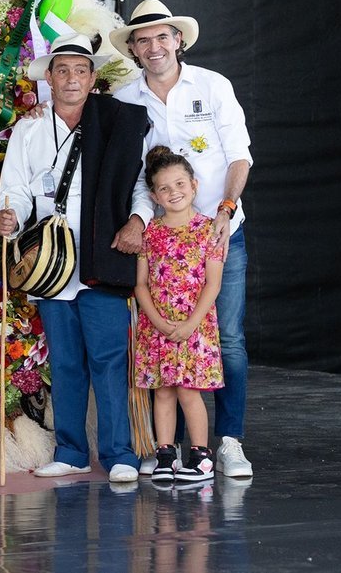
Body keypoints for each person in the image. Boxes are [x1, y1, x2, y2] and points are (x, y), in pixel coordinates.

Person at [0, 33, 152, 483]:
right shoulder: (29, 128)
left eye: (80, 70)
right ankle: (71, 451)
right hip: (49, 260)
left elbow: (139, 183)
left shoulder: (117, 121)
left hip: (103, 254)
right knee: (64, 361)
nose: (71, 78)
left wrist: (138, 220)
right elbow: (17, 188)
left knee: (108, 358)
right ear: (49, 76)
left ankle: (120, 454)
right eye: (62, 70)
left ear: (93, 77)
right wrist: (10, 215)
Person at [110, 0, 254, 478]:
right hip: (165, 246)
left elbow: (240, 156)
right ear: (133, 49)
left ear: (179, 40)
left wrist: (225, 209)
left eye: (162, 36)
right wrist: (137, 219)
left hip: (218, 235)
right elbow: (136, 176)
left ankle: (227, 441)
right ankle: (166, 448)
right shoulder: (128, 100)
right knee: (163, 346)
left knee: (227, 339)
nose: (154, 47)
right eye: (143, 39)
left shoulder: (212, 86)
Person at [134, 146, 225, 484]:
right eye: (165, 188)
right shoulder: (150, 233)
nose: (174, 192)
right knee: (163, 391)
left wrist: (189, 324)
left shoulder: (208, 231)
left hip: (195, 326)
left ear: (194, 185)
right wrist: (158, 321)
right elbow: (141, 285)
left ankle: (201, 458)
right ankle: (166, 454)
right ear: (155, 195)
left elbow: (213, 285)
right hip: (156, 325)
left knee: (189, 391)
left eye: (180, 184)